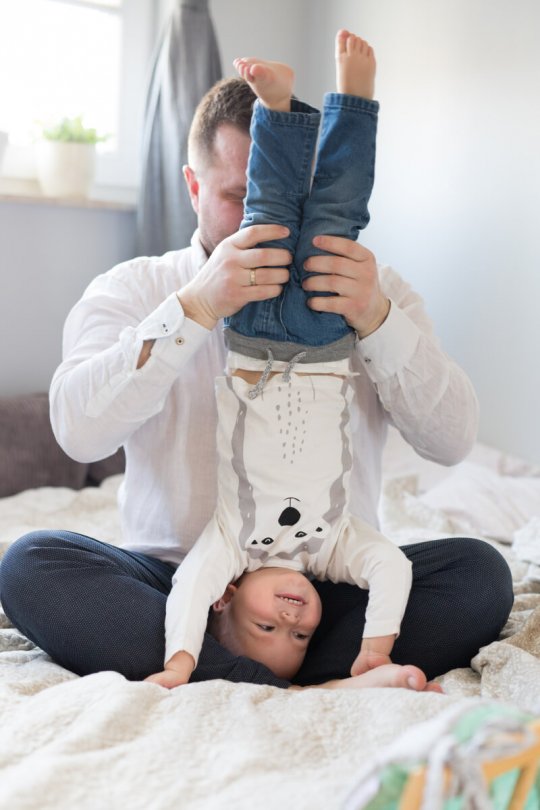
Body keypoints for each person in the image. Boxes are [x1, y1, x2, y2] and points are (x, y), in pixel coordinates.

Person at [0, 27, 513, 690]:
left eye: (276, 195)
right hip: (175, 579)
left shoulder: (373, 288)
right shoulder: (137, 289)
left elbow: (452, 441)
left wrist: (377, 323)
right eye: (237, 197)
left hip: (322, 577)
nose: (263, 221)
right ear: (191, 185)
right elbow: (77, 430)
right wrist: (195, 310)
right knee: (31, 563)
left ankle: (256, 667)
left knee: (480, 574)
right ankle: (288, 675)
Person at [146, 34, 414, 690]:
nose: (291, 620)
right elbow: (392, 569)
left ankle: (278, 110)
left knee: (266, 219)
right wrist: (375, 649)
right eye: (300, 636)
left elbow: (183, 593)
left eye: (268, 628)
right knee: (335, 220)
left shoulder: (227, 543)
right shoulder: (336, 545)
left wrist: (178, 667)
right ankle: (353, 102)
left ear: (227, 598)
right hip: (325, 340)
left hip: (255, 331)